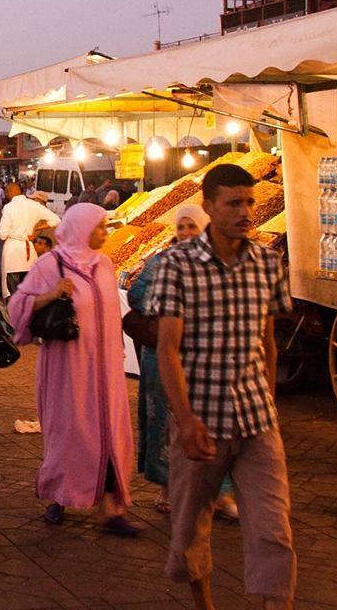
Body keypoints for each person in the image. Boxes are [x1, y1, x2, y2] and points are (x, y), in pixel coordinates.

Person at [145, 163, 296, 610]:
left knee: (274, 526)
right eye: (235, 203)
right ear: (210, 207)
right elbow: (168, 348)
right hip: (202, 420)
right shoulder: (174, 265)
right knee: (192, 524)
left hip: (256, 420)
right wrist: (185, 419)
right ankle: (204, 604)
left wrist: (268, 401)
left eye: (250, 202)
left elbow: (268, 342)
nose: (246, 211)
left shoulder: (268, 263)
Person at [9, 203, 141, 535]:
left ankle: (110, 509)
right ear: (80, 227)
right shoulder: (49, 264)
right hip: (68, 370)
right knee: (70, 432)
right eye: (98, 227)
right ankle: (58, 497)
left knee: (109, 433)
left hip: (106, 369)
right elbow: (16, 307)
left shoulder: (105, 265)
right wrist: (51, 295)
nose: (104, 233)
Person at [126, 205, 236, 518]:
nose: (186, 232)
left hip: (205, 356)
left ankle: (220, 491)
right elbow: (136, 295)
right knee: (166, 424)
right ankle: (167, 486)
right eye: (182, 226)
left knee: (211, 421)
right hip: (164, 353)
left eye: (192, 226)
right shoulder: (160, 261)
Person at [0, 183, 60, 296]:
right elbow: (55, 220)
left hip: (13, 254)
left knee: (13, 292)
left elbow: (2, 234)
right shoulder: (34, 205)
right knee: (28, 290)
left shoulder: (9, 207)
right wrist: (35, 228)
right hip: (29, 253)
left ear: (9, 193)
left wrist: (12, 233)